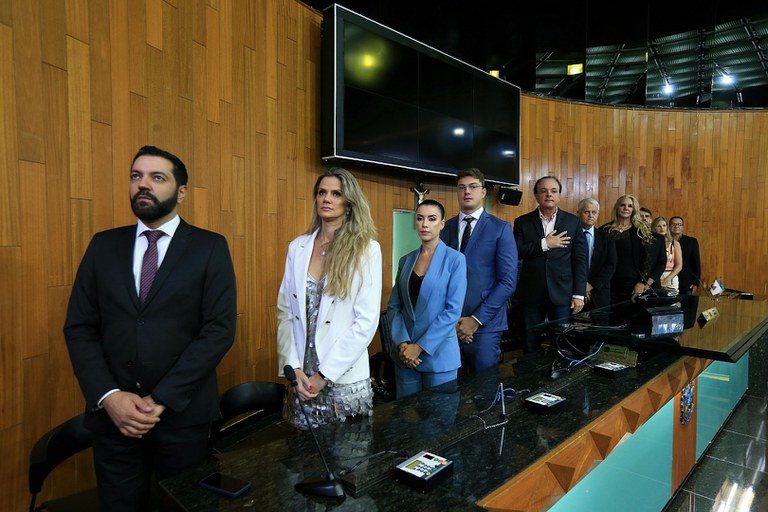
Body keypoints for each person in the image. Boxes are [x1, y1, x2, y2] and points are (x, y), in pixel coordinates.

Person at [63, 145, 238, 511]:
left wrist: (161, 400)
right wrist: (109, 396)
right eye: (136, 176)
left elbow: (218, 330)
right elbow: (79, 327)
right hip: (114, 420)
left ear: (181, 192)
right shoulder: (103, 246)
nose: (143, 184)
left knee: (183, 506)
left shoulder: (209, 247)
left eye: (157, 177)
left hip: (182, 416)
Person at [277, 167, 382, 430]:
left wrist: (324, 375)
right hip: (303, 381)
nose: (326, 198)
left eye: (336, 194)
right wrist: (293, 368)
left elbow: (366, 322)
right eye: (322, 192)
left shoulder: (366, 249)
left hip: (344, 381)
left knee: (349, 452)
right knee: (304, 452)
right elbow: (285, 311)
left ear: (349, 203)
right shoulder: (297, 247)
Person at [387, 199, 467, 399]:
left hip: (439, 356)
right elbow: (394, 307)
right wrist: (403, 344)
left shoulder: (455, 260)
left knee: (439, 416)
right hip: (405, 357)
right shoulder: (405, 260)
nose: (424, 224)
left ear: (442, 223)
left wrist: (419, 347)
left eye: (432, 219)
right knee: (406, 416)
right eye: (420, 218)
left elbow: (452, 311)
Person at [440, 168, 518, 373]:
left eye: (473, 187)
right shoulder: (444, 228)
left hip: (485, 325)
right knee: (451, 388)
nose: (467, 191)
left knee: (483, 387)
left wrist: (475, 320)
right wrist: (451, 319)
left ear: (483, 192)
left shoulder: (500, 228)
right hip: (449, 324)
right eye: (462, 187)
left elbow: (508, 281)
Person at [513, 176, 587, 352]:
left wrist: (579, 293)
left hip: (562, 292)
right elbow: (517, 251)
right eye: (543, 191)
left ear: (559, 196)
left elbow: (580, 260)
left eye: (554, 191)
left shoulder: (573, 222)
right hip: (531, 292)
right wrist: (544, 244)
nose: (549, 195)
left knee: (562, 342)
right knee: (530, 343)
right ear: (536, 196)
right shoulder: (522, 222)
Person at [601, 195, 666, 302]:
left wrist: (643, 283)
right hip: (607, 283)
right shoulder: (605, 230)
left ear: (634, 209)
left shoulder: (641, 231)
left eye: (630, 206)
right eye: (622, 205)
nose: (626, 208)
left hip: (633, 285)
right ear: (616, 207)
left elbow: (649, 260)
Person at [577, 198, 616, 309]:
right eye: (586, 212)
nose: (590, 215)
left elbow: (611, 265)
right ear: (578, 213)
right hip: (574, 293)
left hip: (599, 292)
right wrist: (581, 286)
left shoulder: (606, 238)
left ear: (598, 214)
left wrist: (591, 285)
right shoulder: (570, 236)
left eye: (594, 212)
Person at [669, 216, 702, 295]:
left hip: (686, 282)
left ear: (683, 227)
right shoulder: (663, 241)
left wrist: (696, 283)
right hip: (667, 280)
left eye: (679, 224)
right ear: (669, 226)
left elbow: (696, 263)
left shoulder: (691, 242)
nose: (676, 226)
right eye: (673, 224)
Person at [652, 216, 683, 295]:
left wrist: (666, 280)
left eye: (664, 225)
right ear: (654, 228)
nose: (662, 228)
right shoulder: (650, 243)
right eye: (659, 226)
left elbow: (679, 265)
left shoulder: (674, 243)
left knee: (671, 301)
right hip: (653, 277)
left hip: (670, 277)